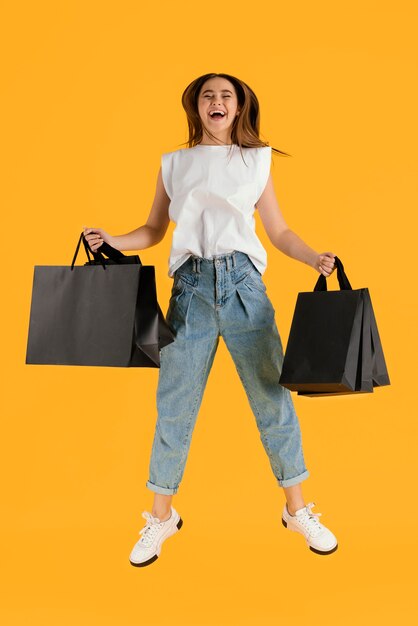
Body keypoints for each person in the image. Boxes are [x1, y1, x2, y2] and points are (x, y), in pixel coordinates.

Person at [83, 73, 338, 566]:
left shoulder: (255, 160)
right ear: (195, 107)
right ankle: (161, 520)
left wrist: (311, 258)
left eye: (227, 95)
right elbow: (155, 229)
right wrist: (113, 239)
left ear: (240, 107)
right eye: (208, 95)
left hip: (245, 288)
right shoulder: (173, 164)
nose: (217, 101)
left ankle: (297, 511)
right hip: (191, 290)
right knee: (174, 407)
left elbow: (279, 230)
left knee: (273, 401)